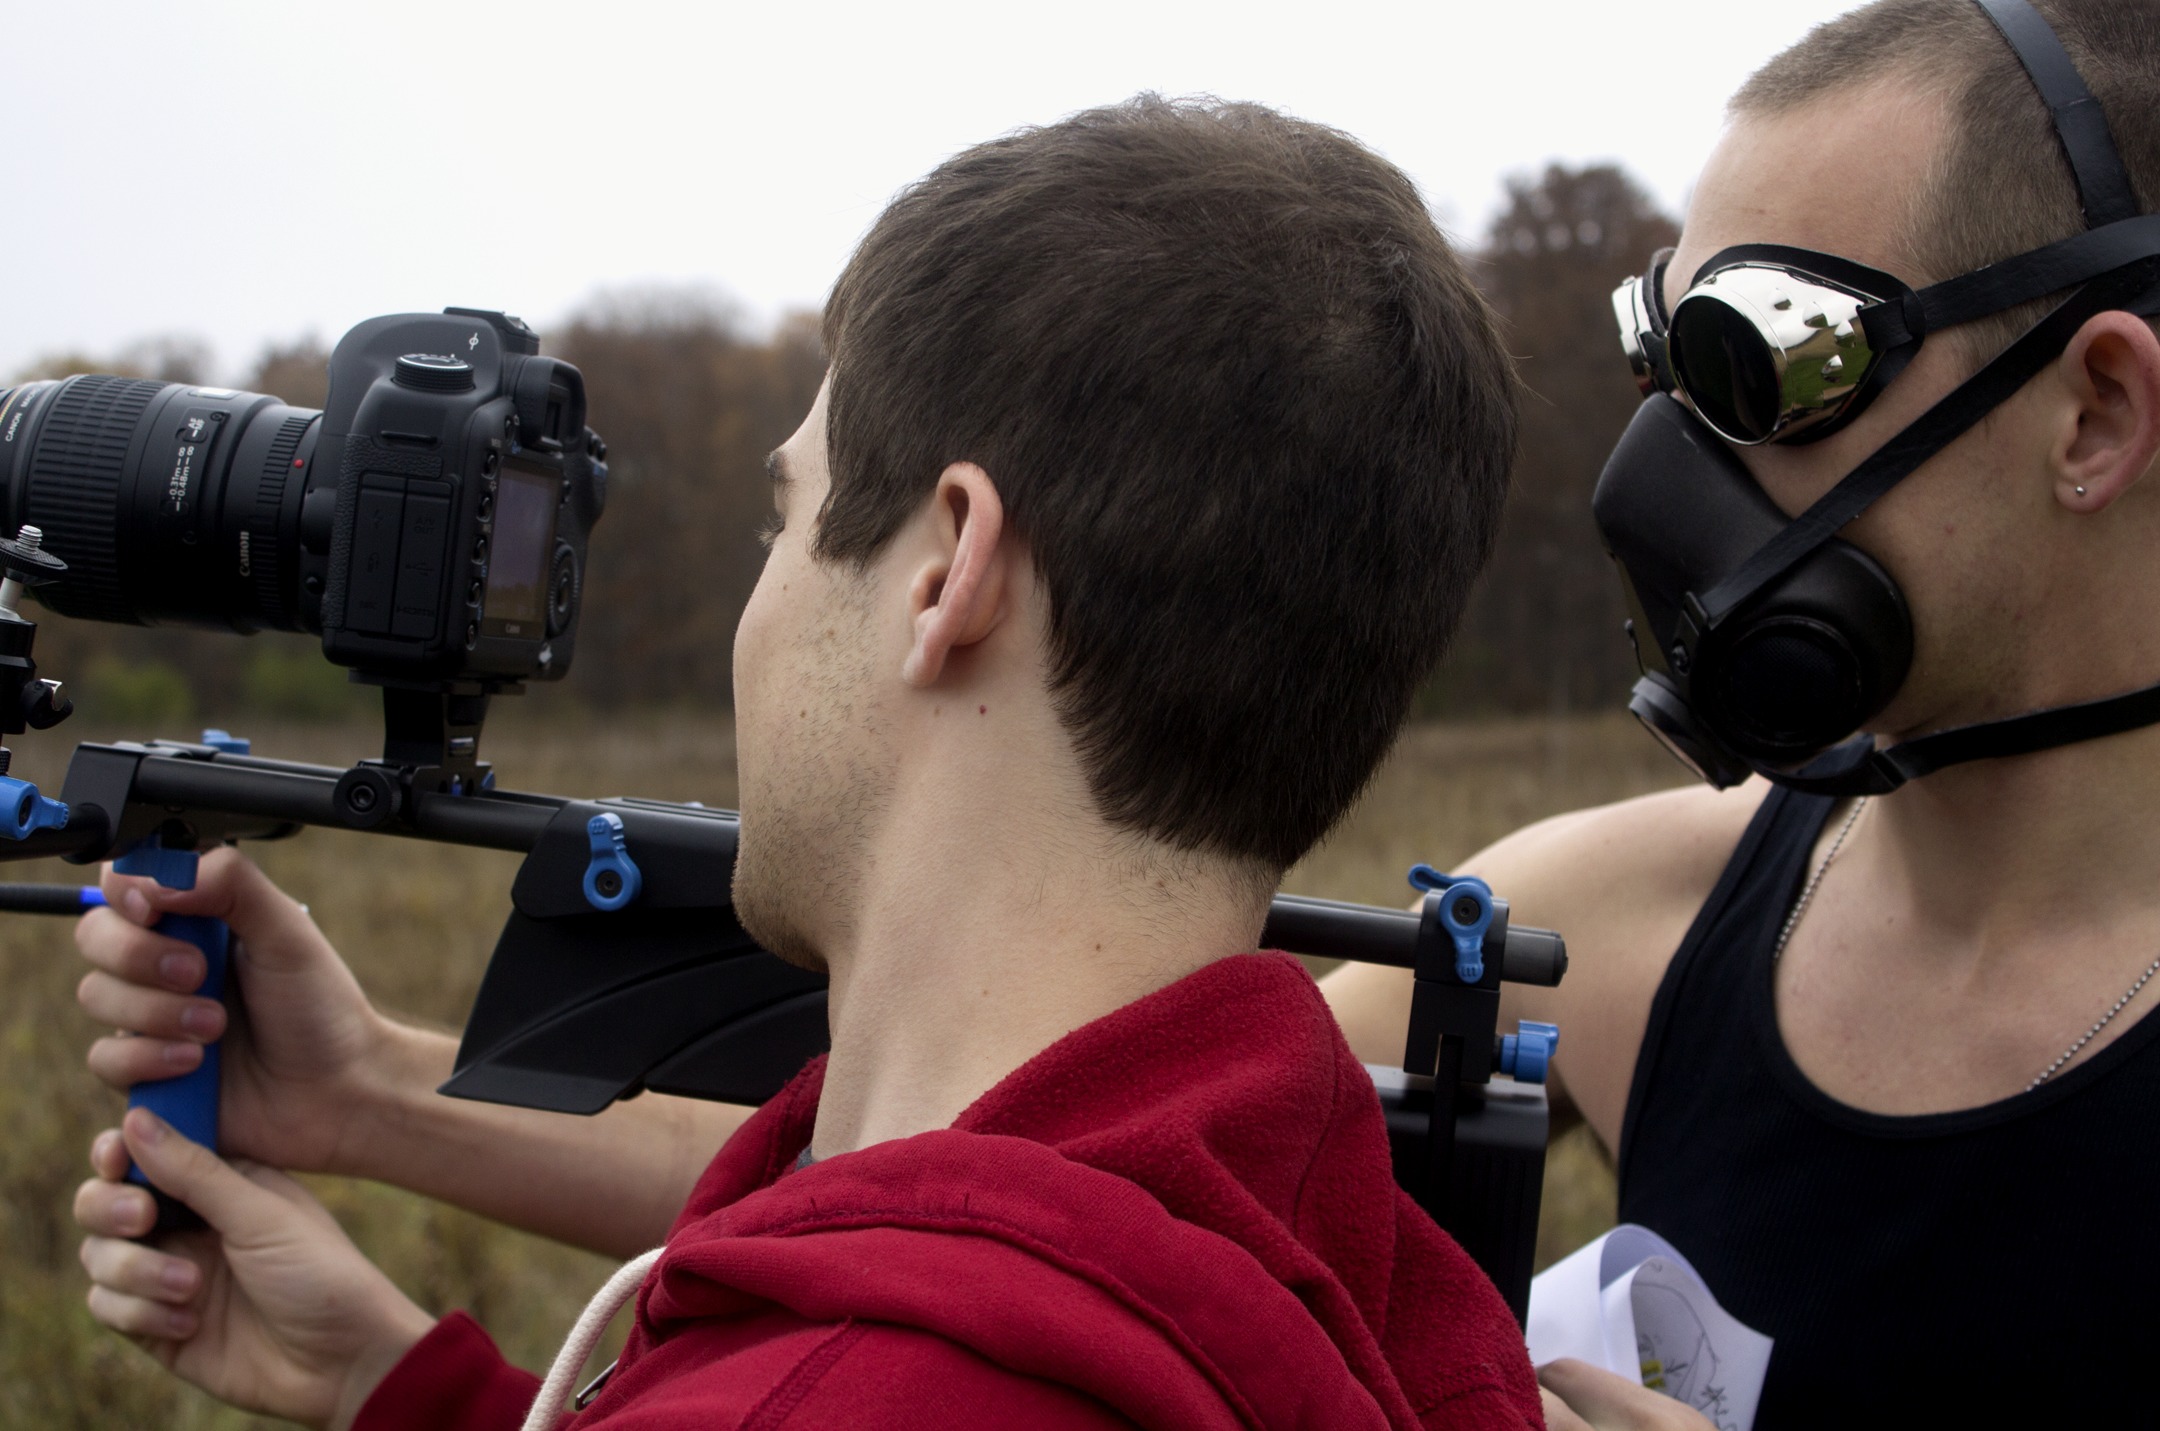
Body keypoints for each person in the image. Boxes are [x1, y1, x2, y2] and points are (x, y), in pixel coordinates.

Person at [68, 98, 1546, 1430]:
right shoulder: (1377, 1282)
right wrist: (395, 1384)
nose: (759, 604)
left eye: (785, 520)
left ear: (945, 572)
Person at [1326, 1, 2160, 1426]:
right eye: (1666, 354)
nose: (1667, 468)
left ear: (2095, 413)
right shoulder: (1581, 930)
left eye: (1769, 358)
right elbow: (1083, 1181)